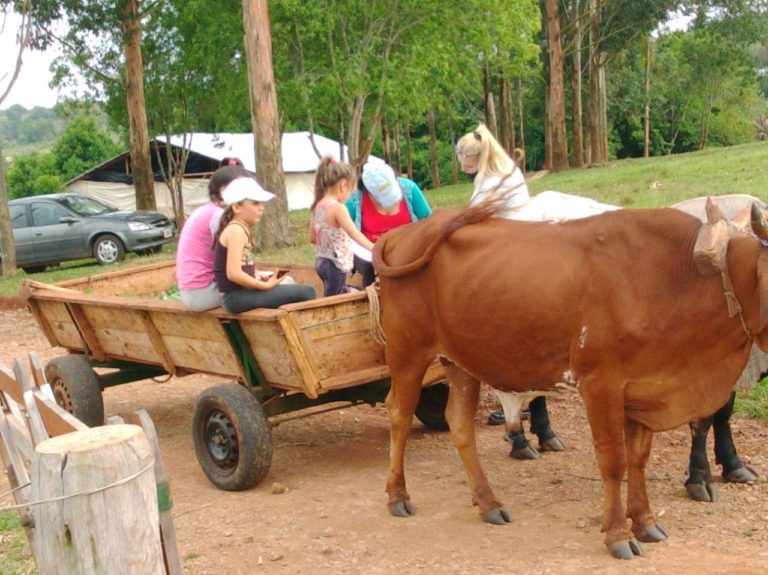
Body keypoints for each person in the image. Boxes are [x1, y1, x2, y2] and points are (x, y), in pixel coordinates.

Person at [213, 177, 316, 313]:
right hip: (236, 298)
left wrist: (257, 274)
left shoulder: (239, 228)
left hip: (240, 295)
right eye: (255, 203)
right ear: (236, 207)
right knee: (308, 292)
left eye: (261, 203)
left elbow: (241, 265)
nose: (261, 208)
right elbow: (233, 274)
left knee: (290, 283)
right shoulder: (236, 231)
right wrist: (263, 286)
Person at [345, 162, 432, 287]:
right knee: (370, 268)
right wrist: (373, 249)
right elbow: (342, 227)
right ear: (369, 191)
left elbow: (429, 219)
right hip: (370, 251)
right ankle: (371, 300)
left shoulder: (409, 189)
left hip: (407, 248)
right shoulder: (356, 199)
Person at [176, 164, 249, 311]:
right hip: (205, 292)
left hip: (191, 292)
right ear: (223, 191)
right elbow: (230, 267)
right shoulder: (218, 216)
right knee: (284, 283)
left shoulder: (204, 210)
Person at [310, 156, 375, 296]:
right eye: (350, 190)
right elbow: (354, 233)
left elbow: (313, 238)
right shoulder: (338, 208)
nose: (350, 195)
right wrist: (373, 248)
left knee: (334, 292)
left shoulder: (318, 205)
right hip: (335, 264)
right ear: (343, 185)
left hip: (321, 261)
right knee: (333, 301)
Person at [455, 123, 530, 214]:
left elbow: (471, 214)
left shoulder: (492, 183)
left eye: (469, 166)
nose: (463, 169)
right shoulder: (506, 165)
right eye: (461, 164)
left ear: (482, 160)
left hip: (512, 224)